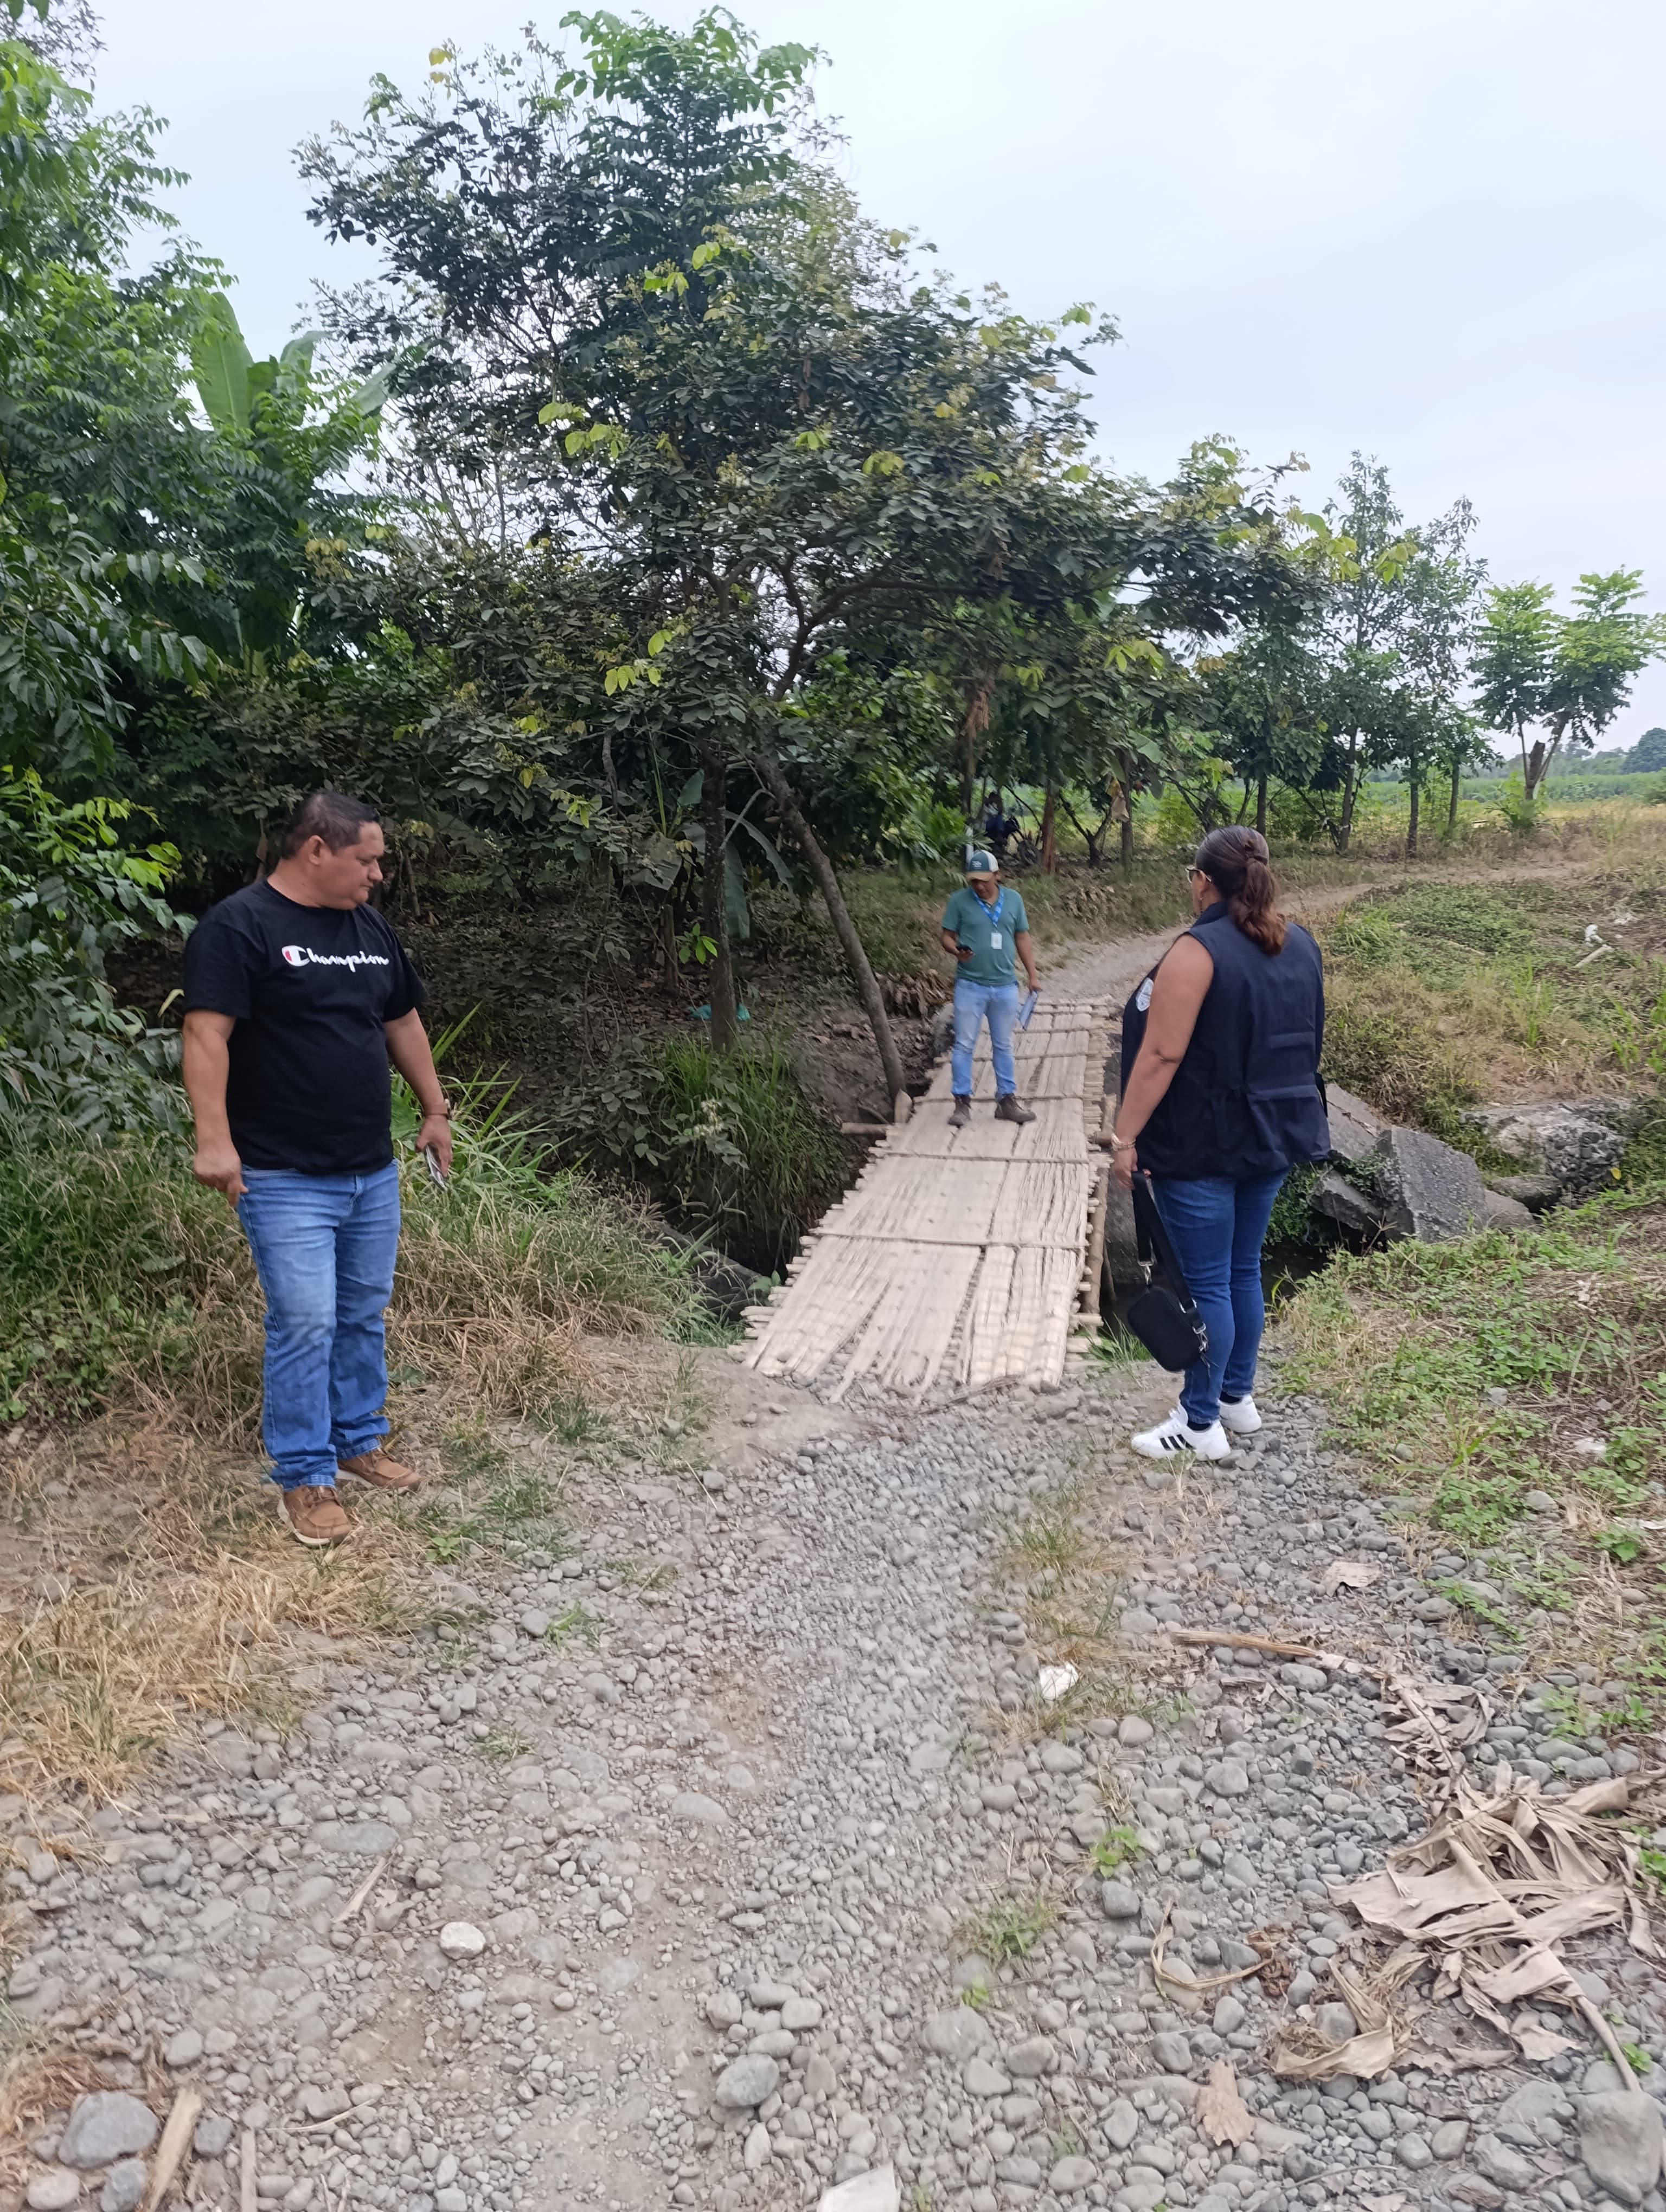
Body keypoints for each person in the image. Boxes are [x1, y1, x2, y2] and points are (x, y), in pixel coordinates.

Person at [181, 792, 453, 1546]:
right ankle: (305, 1474)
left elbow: (402, 1019)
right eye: (368, 860)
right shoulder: (239, 926)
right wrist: (214, 1141)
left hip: (370, 1169)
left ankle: (357, 1440)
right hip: (282, 1173)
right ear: (316, 851)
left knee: (361, 1312)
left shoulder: (369, 928)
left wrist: (435, 1110)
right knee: (305, 1321)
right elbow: (206, 1034)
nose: (378, 874)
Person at [1109, 826, 1328, 1462]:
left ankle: (1199, 1421)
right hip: (1275, 1134)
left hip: (1202, 1144)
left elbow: (1161, 1055)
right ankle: (1237, 1398)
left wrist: (1125, 1137)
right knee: (1241, 1271)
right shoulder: (1301, 944)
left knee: (1205, 1284)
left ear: (1202, 881)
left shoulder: (1196, 952)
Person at [939, 850, 1039, 1129]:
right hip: (970, 985)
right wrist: (956, 951)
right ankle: (962, 1102)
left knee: (1004, 1044)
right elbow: (946, 937)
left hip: (1005, 986)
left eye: (984, 880)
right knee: (964, 1044)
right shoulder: (959, 901)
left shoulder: (1014, 900)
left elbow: (1022, 937)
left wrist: (1033, 975)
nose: (979, 886)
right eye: (974, 881)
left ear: (998, 875)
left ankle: (1007, 1100)